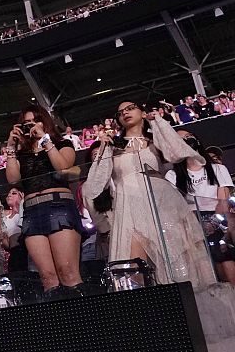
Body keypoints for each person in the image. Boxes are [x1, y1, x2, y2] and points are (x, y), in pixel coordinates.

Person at [85, 101, 216, 288]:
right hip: (129, 206)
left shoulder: (155, 141)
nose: (125, 113)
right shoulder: (114, 146)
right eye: (120, 112)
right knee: (132, 266)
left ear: (142, 112)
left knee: (176, 258)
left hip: (162, 202)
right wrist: (104, 148)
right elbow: (95, 185)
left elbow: (177, 153)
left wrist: (158, 123)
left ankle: (184, 300)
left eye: (130, 108)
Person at [5, 105, 85, 299]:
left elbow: (63, 168)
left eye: (35, 121)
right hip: (32, 211)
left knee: (68, 272)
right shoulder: (21, 153)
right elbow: (13, 180)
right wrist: (11, 148)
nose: (31, 126)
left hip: (58, 205)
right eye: (26, 123)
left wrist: (45, 140)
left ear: (45, 122)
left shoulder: (62, 143)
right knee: (48, 278)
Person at [165, 130, 235, 283]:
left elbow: (223, 201)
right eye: (180, 139)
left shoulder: (217, 169)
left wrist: (213, 222)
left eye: (188, 136)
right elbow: (176, 205)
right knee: (204, 264)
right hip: (191, 222)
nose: (186, 140)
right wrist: (196, 226)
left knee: (225, 258)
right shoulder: (172, 175)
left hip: (217, 219)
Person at [77, 142, 113, 262]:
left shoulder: (119, 177)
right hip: (108, 237)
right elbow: (97, 216)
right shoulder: (87, 186)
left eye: (103, 153)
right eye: (95, 154)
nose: (100, 157)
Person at [1, 187, 27, 273]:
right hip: (13, 255)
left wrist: (22, 202)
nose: (9, 195)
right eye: (8, 194)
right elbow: (6, 245)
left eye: (14, 193)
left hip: (27, 251)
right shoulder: (4, 219)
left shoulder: (25, 214)